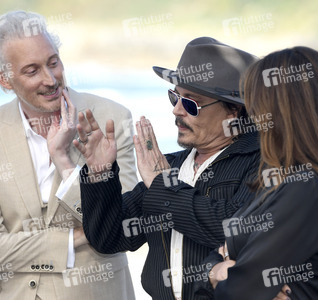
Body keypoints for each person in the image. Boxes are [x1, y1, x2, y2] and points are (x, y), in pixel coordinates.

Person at [74, 37, 290, 300]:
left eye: (191, 103)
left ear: (233, 111)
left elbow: (236, 229)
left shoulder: (266, 163)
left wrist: (164, 187)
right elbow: (109, 237)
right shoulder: (170, 167)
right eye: (175, 97)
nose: (177, 110)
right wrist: (100, 173)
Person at [0, 11, 137, 300]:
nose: (50, 79)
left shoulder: (112, 119)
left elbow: (125, 227)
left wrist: (65, 163)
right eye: (31, 71)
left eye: (53, 63)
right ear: (3, 80)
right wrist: (74, 239)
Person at [199, 46, 318, 299]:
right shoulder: (280, 180)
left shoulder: (308, 188)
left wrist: (222, 272)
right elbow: (224, 263)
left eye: (257, 106)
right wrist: (216, 272)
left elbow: (239, 291)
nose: (253, 119)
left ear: (284, 113)